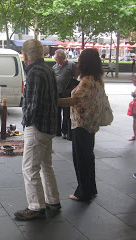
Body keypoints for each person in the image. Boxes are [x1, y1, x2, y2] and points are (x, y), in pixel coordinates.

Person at [14, 39, 61, 221]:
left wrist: (26, 124)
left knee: (29, 167)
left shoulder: (34, 73)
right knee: (45, 165)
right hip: (49, 126)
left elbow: (31, 105)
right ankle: (53, 201)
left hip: (37, 126)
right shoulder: (49, 70)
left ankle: (36, 207)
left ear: (25, 56)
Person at [58, 48, 104, 201]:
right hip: (92, 122)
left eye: (80, 59)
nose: (78, 62)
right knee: (89, 156)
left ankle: (83, 192)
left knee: (81, 159)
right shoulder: (97, 79)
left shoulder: (86, 81)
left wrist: (53, 101)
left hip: (81, 124)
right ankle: (91, 188)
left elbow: (74, 100)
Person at [53, 49, 77, 140]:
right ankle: (57, 131)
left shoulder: (71, 65)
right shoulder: (55, 67)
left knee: (67, 114)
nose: (56, 60)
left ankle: (65, 131)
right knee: (57, 113)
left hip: (66, 92)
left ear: (62, 57)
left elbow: (75, 77)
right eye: (55, 58)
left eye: (57, 58)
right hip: (57, 92)